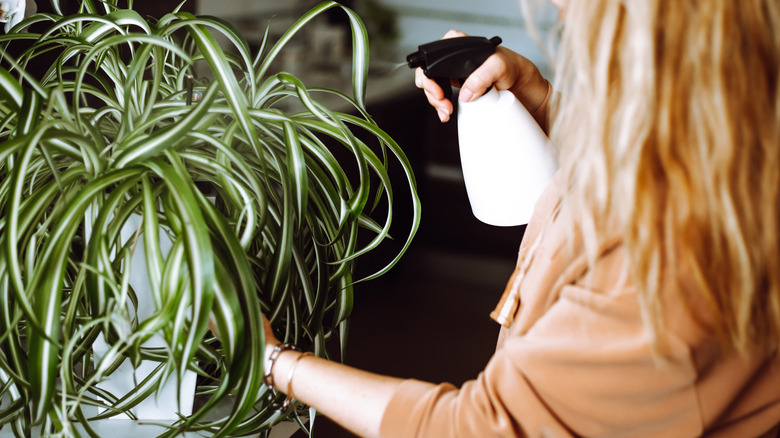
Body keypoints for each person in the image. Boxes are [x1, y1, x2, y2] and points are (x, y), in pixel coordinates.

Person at [260, 0, 780, 436]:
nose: (558, 6)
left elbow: (473, 428)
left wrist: (272, 359)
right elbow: (646, 164)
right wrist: (543, 97)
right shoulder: (736, 144)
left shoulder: (664, 268)